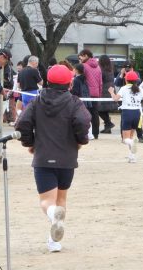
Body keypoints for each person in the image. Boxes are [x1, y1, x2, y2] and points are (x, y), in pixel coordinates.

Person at [15, 65, 91, 253]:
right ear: (69, 82)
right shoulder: (75, 102)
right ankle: (54, 241)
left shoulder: (37, 101)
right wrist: (81, 140)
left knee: (47, 201)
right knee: (61, 199)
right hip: (67, 157)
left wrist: (30, 143)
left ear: (48, 81)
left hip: (43, 156)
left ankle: (52, 216)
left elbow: (22, 123)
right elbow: (83, 121)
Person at [109, 70, 143, 163]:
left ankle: (131, 145)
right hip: (137, 114)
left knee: (125, 139)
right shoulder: (140, 89)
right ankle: (132, 157)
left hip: (127, 113)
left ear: (126, 80)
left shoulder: (124, 88)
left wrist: (111, 92)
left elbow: (115, 99)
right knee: (131, 136)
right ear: (136, 81)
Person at [79, 49, 102, 140]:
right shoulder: (98, 67)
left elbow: (79, 78)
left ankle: (87, 133)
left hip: (86, 93)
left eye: (80, 56)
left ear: (85, 55)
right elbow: (100, 82)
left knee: (86, 114)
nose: (80, 58)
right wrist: (99, 94)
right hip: (96, 93)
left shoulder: (83, 66)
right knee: (95, 114)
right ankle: (95, 133)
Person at [97, 55, 117, 134]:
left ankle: (108, 123)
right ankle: (107, 128)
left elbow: (100, 80)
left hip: (104, 90)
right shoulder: (110, 69)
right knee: (105, 110)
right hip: (110, 89)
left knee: (99, 110)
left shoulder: (102, 70)